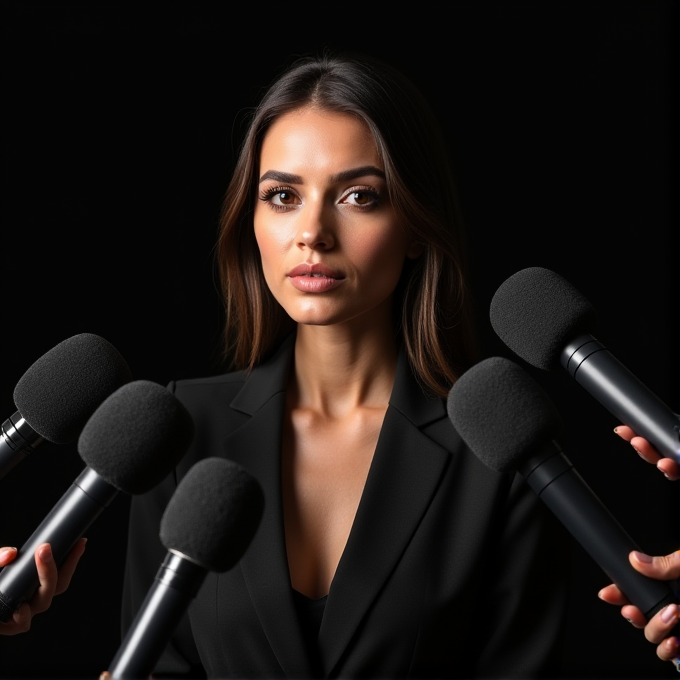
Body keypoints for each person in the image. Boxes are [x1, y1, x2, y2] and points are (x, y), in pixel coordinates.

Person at [0, 51, 676, 678]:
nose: (313, 233)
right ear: (251, 222)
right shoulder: (173, 431)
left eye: (359, 195)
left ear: (415, 225)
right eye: (283, 196)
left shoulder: (502, 447)